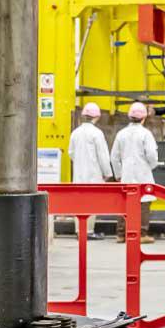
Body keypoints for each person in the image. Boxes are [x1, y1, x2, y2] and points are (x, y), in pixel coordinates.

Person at [108, 102, 161, 242]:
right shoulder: (146, 134)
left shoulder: (121, 134)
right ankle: (142, 234)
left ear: (129, 117)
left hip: (126, 174)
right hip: (143, 173)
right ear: (144, 118)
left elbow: (114, 157)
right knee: (144, 202)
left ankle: (121, 234)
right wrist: (151, 166)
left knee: (124, 202)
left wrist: (118, 174)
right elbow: (152, 155)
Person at [68, 102, 114, 239]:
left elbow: (71, 153)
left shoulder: (75, 133)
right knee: (91, 203)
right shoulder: (97, 133)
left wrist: (80, 162)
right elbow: (103, 156)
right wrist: (107, 173)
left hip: (79, 174)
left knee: (79, 203)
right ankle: (88, 231)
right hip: (94, 174)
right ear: (97, 117)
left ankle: (79, 231)